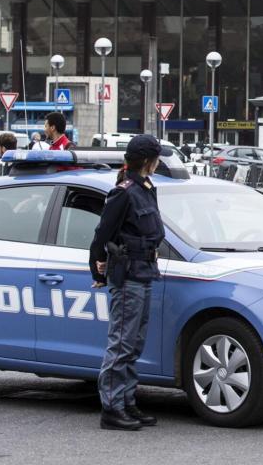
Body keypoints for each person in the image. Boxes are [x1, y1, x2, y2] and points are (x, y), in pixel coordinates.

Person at [89, 135, 165, 432]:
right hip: (128, 274)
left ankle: (127, 400)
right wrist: (96, 272)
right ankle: (112, 408)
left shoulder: (146, 188)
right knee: (121, 343)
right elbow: (101, 234)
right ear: (149, 161)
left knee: (134, 343)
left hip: (145, 272)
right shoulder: (124, 192)